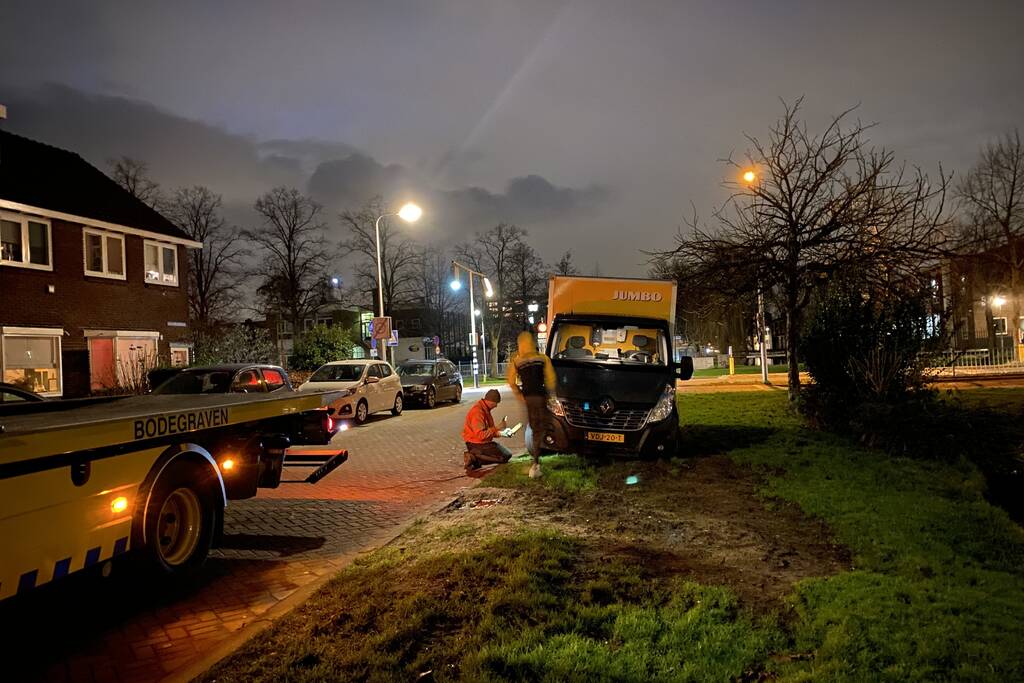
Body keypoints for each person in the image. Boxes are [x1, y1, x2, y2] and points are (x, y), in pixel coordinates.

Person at [507, 330, 557, 478]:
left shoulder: (517, 361)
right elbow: (550, 379)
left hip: (528, 398)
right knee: (544, 425)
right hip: (540, 397)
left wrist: (520, 395)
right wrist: (550, 395)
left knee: (534, 427)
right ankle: (537, 462)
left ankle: (535, 462)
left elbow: (511, 381)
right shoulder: (542, 358)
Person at [462, 388, 512, 470]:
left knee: (506, 454)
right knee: (504, 456)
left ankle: (475, 458)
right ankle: (474, 457)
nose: (496, 406)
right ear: (491, 401)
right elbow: (480, 435)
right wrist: (498, 427)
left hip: (482, 442)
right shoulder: (478, 412)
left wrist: (503, 433)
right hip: (476, 443)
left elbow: (489, 431)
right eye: (496, 403)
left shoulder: (485, 409)